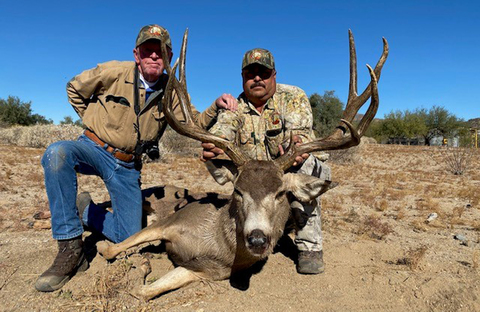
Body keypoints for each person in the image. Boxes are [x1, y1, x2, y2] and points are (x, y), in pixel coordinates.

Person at [35, 24, 236, 292]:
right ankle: (70, 248)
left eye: (160, 52)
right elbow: (74, 88)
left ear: (169, 57)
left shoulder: (172, 90)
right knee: (57, 153)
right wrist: (93, 120)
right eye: (148, 51)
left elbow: (194, 121)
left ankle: (87, 211)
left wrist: (216, 105)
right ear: (136, 54)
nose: (154, 56)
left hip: (127, 165)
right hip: (92, 149)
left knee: (130, 238)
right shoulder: (113, 71)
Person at [202, 48, 331, 275]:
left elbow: (301, 134)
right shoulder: (235, 107)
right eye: (250, 74)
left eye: (263, 73)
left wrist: (298, 146)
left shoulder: (292, 97)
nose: (257, 78)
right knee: (232, 173)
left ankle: (309, 246)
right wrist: (215, 144)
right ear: (243, 78)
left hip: (284, 177)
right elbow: (223, 130)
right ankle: (259, 228)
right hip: (255, 185)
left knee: (307, 163)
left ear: (274, 75)